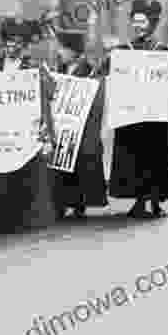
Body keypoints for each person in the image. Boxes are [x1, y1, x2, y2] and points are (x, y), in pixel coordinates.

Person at [99, 0, 168, 218]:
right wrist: (108, 60)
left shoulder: (163, 50)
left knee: (155, 156)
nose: (138, 25)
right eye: (135, 21)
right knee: (134, 157)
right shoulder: (121, 50)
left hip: (154, 116)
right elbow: (103, 71)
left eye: (143, 21)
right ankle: (140, 199)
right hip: (130, 115)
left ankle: (155, 199)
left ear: (152, 24)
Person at [0, 17, 58, 230]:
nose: (12, 46)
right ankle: (0, 214)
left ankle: (25, 215)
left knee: (26, 168)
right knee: (0, 169)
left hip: (25, 127)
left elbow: (51, 90)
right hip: (1, 127)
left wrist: (42, 80)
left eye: (18, 41)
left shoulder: (34, 66)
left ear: (25, 44)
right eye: (9, 41)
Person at [51, 31, 108, 219]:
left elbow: (96, 97)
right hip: (62, 125)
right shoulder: (59, 70)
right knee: (59, 164)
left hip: (81, 127)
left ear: (74, 52)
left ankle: (78, 202)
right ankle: (60, 202)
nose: (59, 52)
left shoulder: (89, 71)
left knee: (78, 165)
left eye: (63, 49)